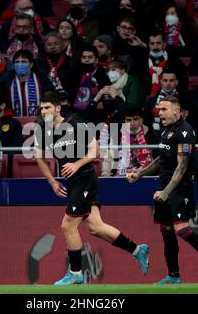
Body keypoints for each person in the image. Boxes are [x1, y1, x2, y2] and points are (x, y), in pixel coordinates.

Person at [34, 91, 149, 285]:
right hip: (73, 183)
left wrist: (76, 164)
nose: (44, 111)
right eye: (42, 108)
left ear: (57, 108)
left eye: (48, 107)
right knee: (96, 227)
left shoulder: (75, 123)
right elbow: (39, 158)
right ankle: (138, 250)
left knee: (67, 225)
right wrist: (53, 182)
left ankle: (76, 273)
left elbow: (95, 151)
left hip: (85, 178)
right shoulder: (43, 129)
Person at [127, 96, 198, 284]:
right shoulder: (166, 132)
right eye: (159, 110)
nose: (160, 113)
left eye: (164, 109)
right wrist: (139, 174)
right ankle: (174, 275)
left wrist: (167, 192)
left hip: (180, 188)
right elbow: (161, 159)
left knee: (181, 229)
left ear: (176, 111)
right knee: (166, 231)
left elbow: (182, 167)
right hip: (164, 186)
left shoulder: (185, 132)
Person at [101, 104, 154, 177]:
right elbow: (109, 157)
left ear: (141, 120)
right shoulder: (118, 135)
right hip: (120, 175)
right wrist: (106, 171)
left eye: (135, 119)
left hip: (143, 175)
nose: (132, 123)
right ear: (124, 121)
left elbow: (153, 159)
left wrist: (139, 171)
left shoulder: (149, 134)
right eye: (128, 120)